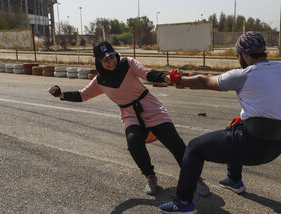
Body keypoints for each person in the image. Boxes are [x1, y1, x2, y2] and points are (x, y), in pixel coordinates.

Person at [159, 32, 281, 214]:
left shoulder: (243, 75)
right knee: (233, 128)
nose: (239, 59)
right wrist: (247, 119)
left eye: (238, 55)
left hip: (254, 148)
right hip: (277, 146)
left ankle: (182, 202)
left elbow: (204, 81)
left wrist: (179, 80)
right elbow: (272, 98)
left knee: (193, 147)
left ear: (244, 55)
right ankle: (234, 180)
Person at [48, 41, 209, 197]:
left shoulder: (128, 63)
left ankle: (194, 178)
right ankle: (150, 176)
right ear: (98, 62)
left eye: (112, 56)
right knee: (133, 142)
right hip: (130, 114)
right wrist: (61, 95)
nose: (111, 62)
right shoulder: (100, 81)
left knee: (174, 142)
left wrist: (169, 77)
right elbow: (82, 95)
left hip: (150, 107)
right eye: (105, 60)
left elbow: (148, 73)